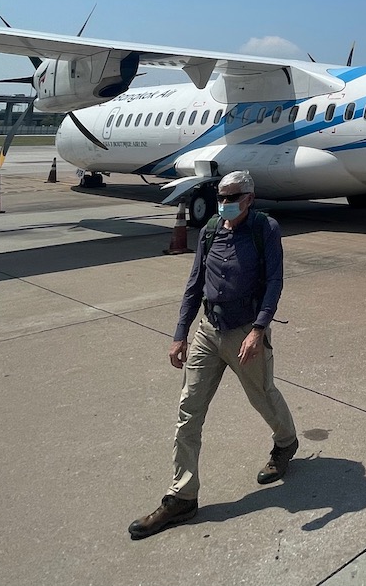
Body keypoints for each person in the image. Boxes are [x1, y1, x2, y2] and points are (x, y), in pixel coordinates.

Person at [129, 170, 299, 540]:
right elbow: (195, 283)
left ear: (249, 197)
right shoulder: (210, 229)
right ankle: (182, 496)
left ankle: (286, 442)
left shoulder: (264, 229)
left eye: (231, 195)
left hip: (245, 333)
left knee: (262, 396)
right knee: (188, 410)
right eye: (221, 195)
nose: (224, 201)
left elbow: (274, 281)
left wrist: (258, 330)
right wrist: (180, 334)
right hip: (209, 330)